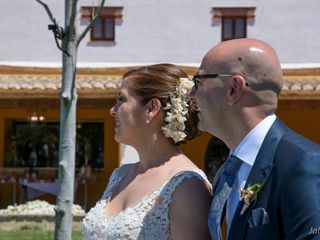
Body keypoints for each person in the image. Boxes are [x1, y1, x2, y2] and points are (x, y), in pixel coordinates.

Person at [190, 38, 320, 240]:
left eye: (198, 82)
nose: (191, 95)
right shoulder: (226, 172)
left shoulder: (303, 164)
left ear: (234, 89)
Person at [82, 63, 212, 239]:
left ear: (151, 108)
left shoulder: (187, 187)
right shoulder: (120, 175)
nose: (112, 111)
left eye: (121, 99)